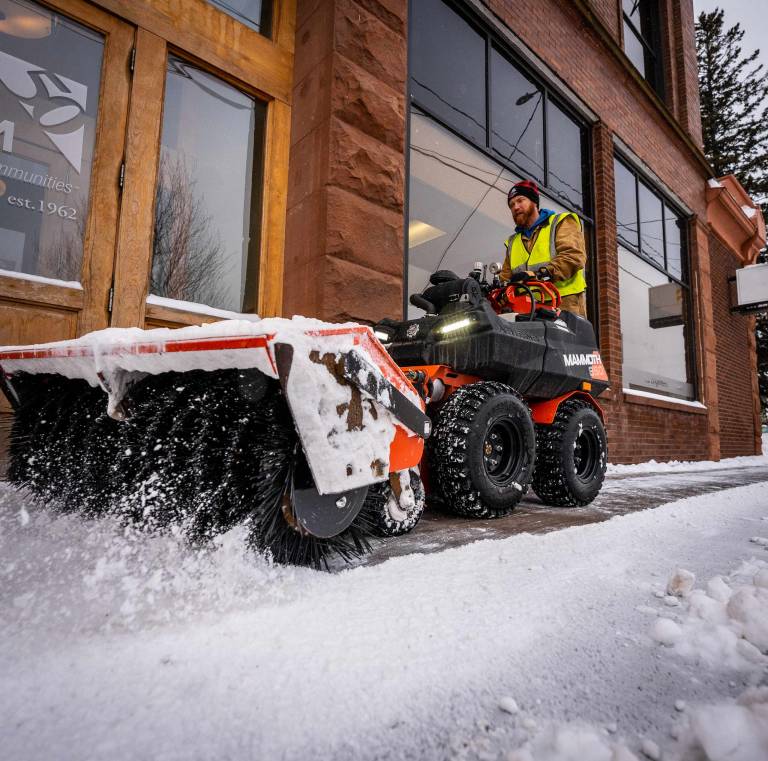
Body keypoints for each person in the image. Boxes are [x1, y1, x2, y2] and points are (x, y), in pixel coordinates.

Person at [500, 179, 588, 317]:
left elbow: (573, 257)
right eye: (511, 205)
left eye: (520, 200)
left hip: (563, 306)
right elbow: (505, 280)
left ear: (534, 202)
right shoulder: (513, 242)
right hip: (527, 312)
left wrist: (540, 275)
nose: (515, 207)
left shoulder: (560, 222)